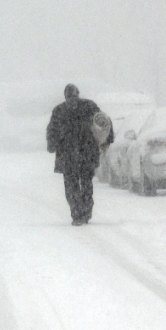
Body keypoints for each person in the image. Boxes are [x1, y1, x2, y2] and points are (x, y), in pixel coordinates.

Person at [46, 84, 114, 226]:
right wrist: (107, 139)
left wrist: (52, 145)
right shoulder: (89, 106)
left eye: (72, 97)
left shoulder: (60, 110)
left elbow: (52, 130)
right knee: (85, 184)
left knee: (73, 186)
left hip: (70, 155)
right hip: (85, 153)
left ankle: (78, 213)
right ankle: (83, 212)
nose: (72, 100)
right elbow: (104, 122)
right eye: (71, 97)